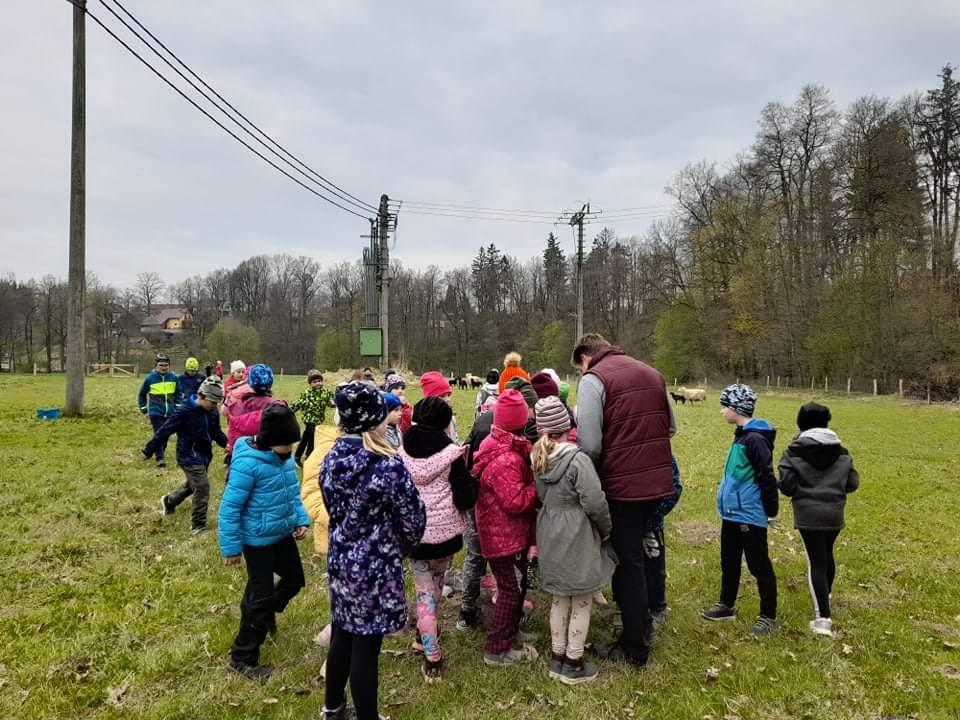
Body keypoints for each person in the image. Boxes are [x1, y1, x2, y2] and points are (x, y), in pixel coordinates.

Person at [320, 383, 426, 720]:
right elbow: (413, 518)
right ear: (373, 419)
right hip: (375, 567)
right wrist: (398, 547)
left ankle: (333, 708)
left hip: (341, 560)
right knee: (366, 645)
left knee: (342, 631)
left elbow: (330, 507)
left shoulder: (331, 458)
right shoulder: (387, 466)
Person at [572, 333, 675, 667]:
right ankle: (642, 619)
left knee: (626, 561)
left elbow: (589, 443)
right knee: (641, 553)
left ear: (585, 356)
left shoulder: (594, 379)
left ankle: (634, 644)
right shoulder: (652, 372)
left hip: (622, 486)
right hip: (658, 481)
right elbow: (671, 427)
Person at [218, 404, 310, 681]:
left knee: (294, 580)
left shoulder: (284, 461)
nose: (291, 448)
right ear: (270, 443)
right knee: (259, 598)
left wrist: (300, 519)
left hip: (282, 534)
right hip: (257, 541)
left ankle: (267, 612)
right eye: (287, 444)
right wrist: (231, 547)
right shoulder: (248, 465)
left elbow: (292, 494)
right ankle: (242, 657)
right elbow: (230, 508)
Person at [531, 396, 614, 686]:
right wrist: (605, 528)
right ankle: (574, 662)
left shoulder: (537, 455)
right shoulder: (578, 459)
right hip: (576, 530)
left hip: (549, 528)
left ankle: (557, 656)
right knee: (581, 597)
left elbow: (540, 497)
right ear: (567, 426)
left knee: (559, 596)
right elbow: (594, 500)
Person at [399, 397, 476, 683]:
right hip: (444, 536)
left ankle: (423, 637)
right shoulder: (452, 453)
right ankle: (433, 657)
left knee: (423, 594)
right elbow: (464, 496)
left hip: (414, 534)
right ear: (445, 422)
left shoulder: (401, 449)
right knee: (433, 592)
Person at [457, 375, 539, 631]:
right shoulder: (509, 453)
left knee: (476, 557)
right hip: (498, 515)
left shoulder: (486, 426)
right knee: (505, 575)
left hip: (479, 503)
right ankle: (501, 624)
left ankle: (467, 609)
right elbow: (513, 498)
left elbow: (470, 456)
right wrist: (536, 487)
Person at [702, 383, 779, 636]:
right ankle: (726, 605)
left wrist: (771, 510)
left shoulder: (755, 439)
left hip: (749, 515)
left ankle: (768, 615)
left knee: (759, 565)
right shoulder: (741, 434)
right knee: (729, 560)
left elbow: (766, 477)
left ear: (737, 408)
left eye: (725, 406)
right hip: (731, 514)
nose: (721, 411)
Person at [778, 402, 859, 637]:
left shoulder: (793, 451)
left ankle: (822, 618)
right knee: (826, 555)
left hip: (808, 513)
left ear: (800, 422)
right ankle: (826, 594)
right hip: (834, 512)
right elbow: (852, 483)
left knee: (816, 562)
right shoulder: (842, 452)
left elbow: (787, 485)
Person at [473, 389, 538, 666]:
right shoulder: (506, 460)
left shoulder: (498, 444)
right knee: (511, 591)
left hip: (507, 534)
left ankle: (511, 632)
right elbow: (514, 501)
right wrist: (537, 488)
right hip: (503, 538)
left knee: (517, 586)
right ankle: (497, 648)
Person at [148, 378, 228, 534]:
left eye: (217, 403)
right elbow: (165, 430)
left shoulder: (211, 411)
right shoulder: (185, 411)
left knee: (192, 486)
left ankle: (169, 501)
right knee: (202, 486)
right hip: (187, 455)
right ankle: (198, 526)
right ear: (202, 396)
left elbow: (215, 431)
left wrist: (227, 444)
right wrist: (149, 449)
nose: (215, 406)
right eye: (212, 402)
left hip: (204, 455)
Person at [645, 456, 682, 624]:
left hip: (651, 521)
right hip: (628, 520)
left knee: (654, 564)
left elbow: (674, 488)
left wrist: (656, 514)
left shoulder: (663, 454)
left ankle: (657, 606)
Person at [224, 364, 279, 462]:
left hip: (242, 454)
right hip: (266, 455)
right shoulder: (275, 406)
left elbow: (233, 431)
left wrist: (232, 452)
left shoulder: (238, 405)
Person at [137, 353, 180, 468]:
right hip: (156, 412)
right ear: (156, 365)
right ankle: (160, 458)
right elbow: (141, 394)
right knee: (159, 433)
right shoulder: (150, 379)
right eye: (161, 365)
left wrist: (177, 407)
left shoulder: (174, 378)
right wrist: (144, 409)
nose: (164, 367)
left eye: (166, 365)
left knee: (165, 435)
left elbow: (179, 394)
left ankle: (148, 450)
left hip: (170, 412)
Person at [291, 369, 334, 466]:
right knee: (312, 439)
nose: (317, 383)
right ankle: (308, 457)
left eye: (319, 381)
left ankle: (297, 457)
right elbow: (299, 404)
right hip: (309, 419)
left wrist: (334, 403)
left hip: (318, 420)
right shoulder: (307, 394)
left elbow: (331, 403)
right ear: (310, 384)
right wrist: (290, 410)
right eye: (314, 382)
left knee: (305, 438)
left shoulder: (326, 393)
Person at [419, 371, 459, 442]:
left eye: (448, 395)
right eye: (442, 396)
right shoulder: (422, 424)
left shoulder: (450, 418)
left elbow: (454, 440)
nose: (447, 399)